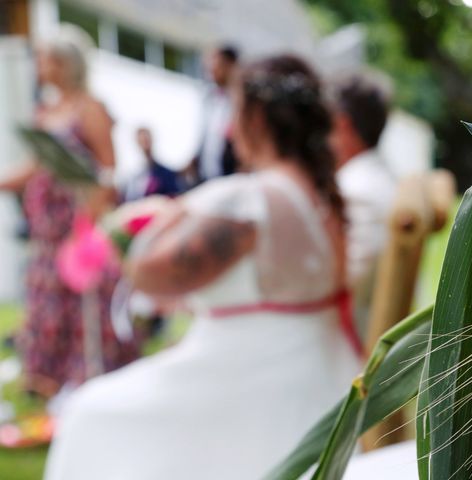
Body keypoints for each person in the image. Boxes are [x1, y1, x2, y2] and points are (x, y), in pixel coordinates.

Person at [44, 55, 362, 480]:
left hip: (255, 385)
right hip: (318, 377)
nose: (228, 128)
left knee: (89, 413)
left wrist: (156, 221)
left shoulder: (248, 200)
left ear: (258, 119)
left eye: (234, 112)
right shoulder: (324, 198)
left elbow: (149, 273)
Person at [0, 26, 139, 396]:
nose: (39, 65)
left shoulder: (89, 108)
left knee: (84, 309)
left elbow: (108, 173)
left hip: (78, 232)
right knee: (47, 307)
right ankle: (49, 385)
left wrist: (86, 225)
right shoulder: (45, 111)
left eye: (45, 58)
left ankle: (88, 383)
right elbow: (33, 169)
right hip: (45, 233)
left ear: (64, 63)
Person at [329, 73, 397, 332]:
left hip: (350, 343)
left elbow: (347, 285)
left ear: (341, 125)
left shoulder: (357, 193)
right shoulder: (377, 178)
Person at [185, 44, 240, 187]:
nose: (212, 69)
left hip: (230, 178)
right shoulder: (209, 98)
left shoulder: (240, 100)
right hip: (204, 177)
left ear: (231, 66)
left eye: (217, 64)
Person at [123, 127, 181, 201]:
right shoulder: (133, 177)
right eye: (142, 141)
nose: (145, 143)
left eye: (146, 140)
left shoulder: (166, 173)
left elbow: (174, 194)